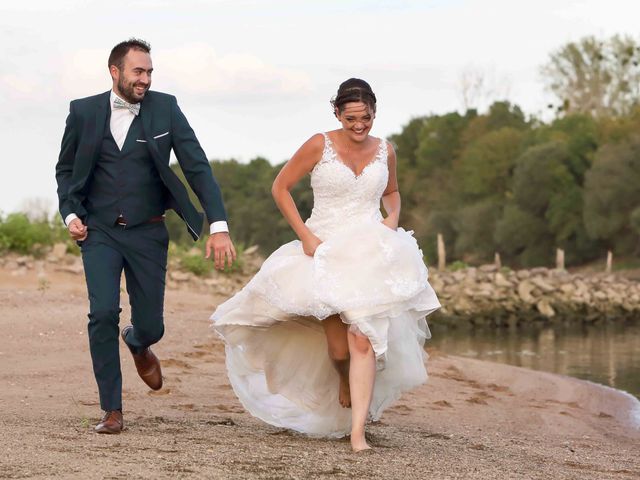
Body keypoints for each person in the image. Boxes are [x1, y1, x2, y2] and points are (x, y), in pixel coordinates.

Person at [212, 78, 440, 452]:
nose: (359, 126)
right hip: (325, 251)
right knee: (338, 351)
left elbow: (392, 192)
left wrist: (393, 216)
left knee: (362, 339)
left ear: (374, 113)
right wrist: (304, 235)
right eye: (350, 118)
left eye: (365, 118)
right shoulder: (320, 144)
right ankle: (344, 379)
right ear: (337, 113)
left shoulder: (386, 150)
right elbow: (280, 187)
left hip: (370, 253)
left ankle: (357, 434)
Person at [55, 38, 235, 434]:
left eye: (150, 71)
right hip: (98, 231)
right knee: (102, 313)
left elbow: (196, 166)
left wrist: (218, 225)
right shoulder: (83, 112)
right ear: (115, 71)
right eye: (138, 71)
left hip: (149, 232)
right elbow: (66, 171)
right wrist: (70, 213)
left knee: (152, 325)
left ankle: (139, 340)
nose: (146, 79)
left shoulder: (165, 108)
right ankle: (112, 410)